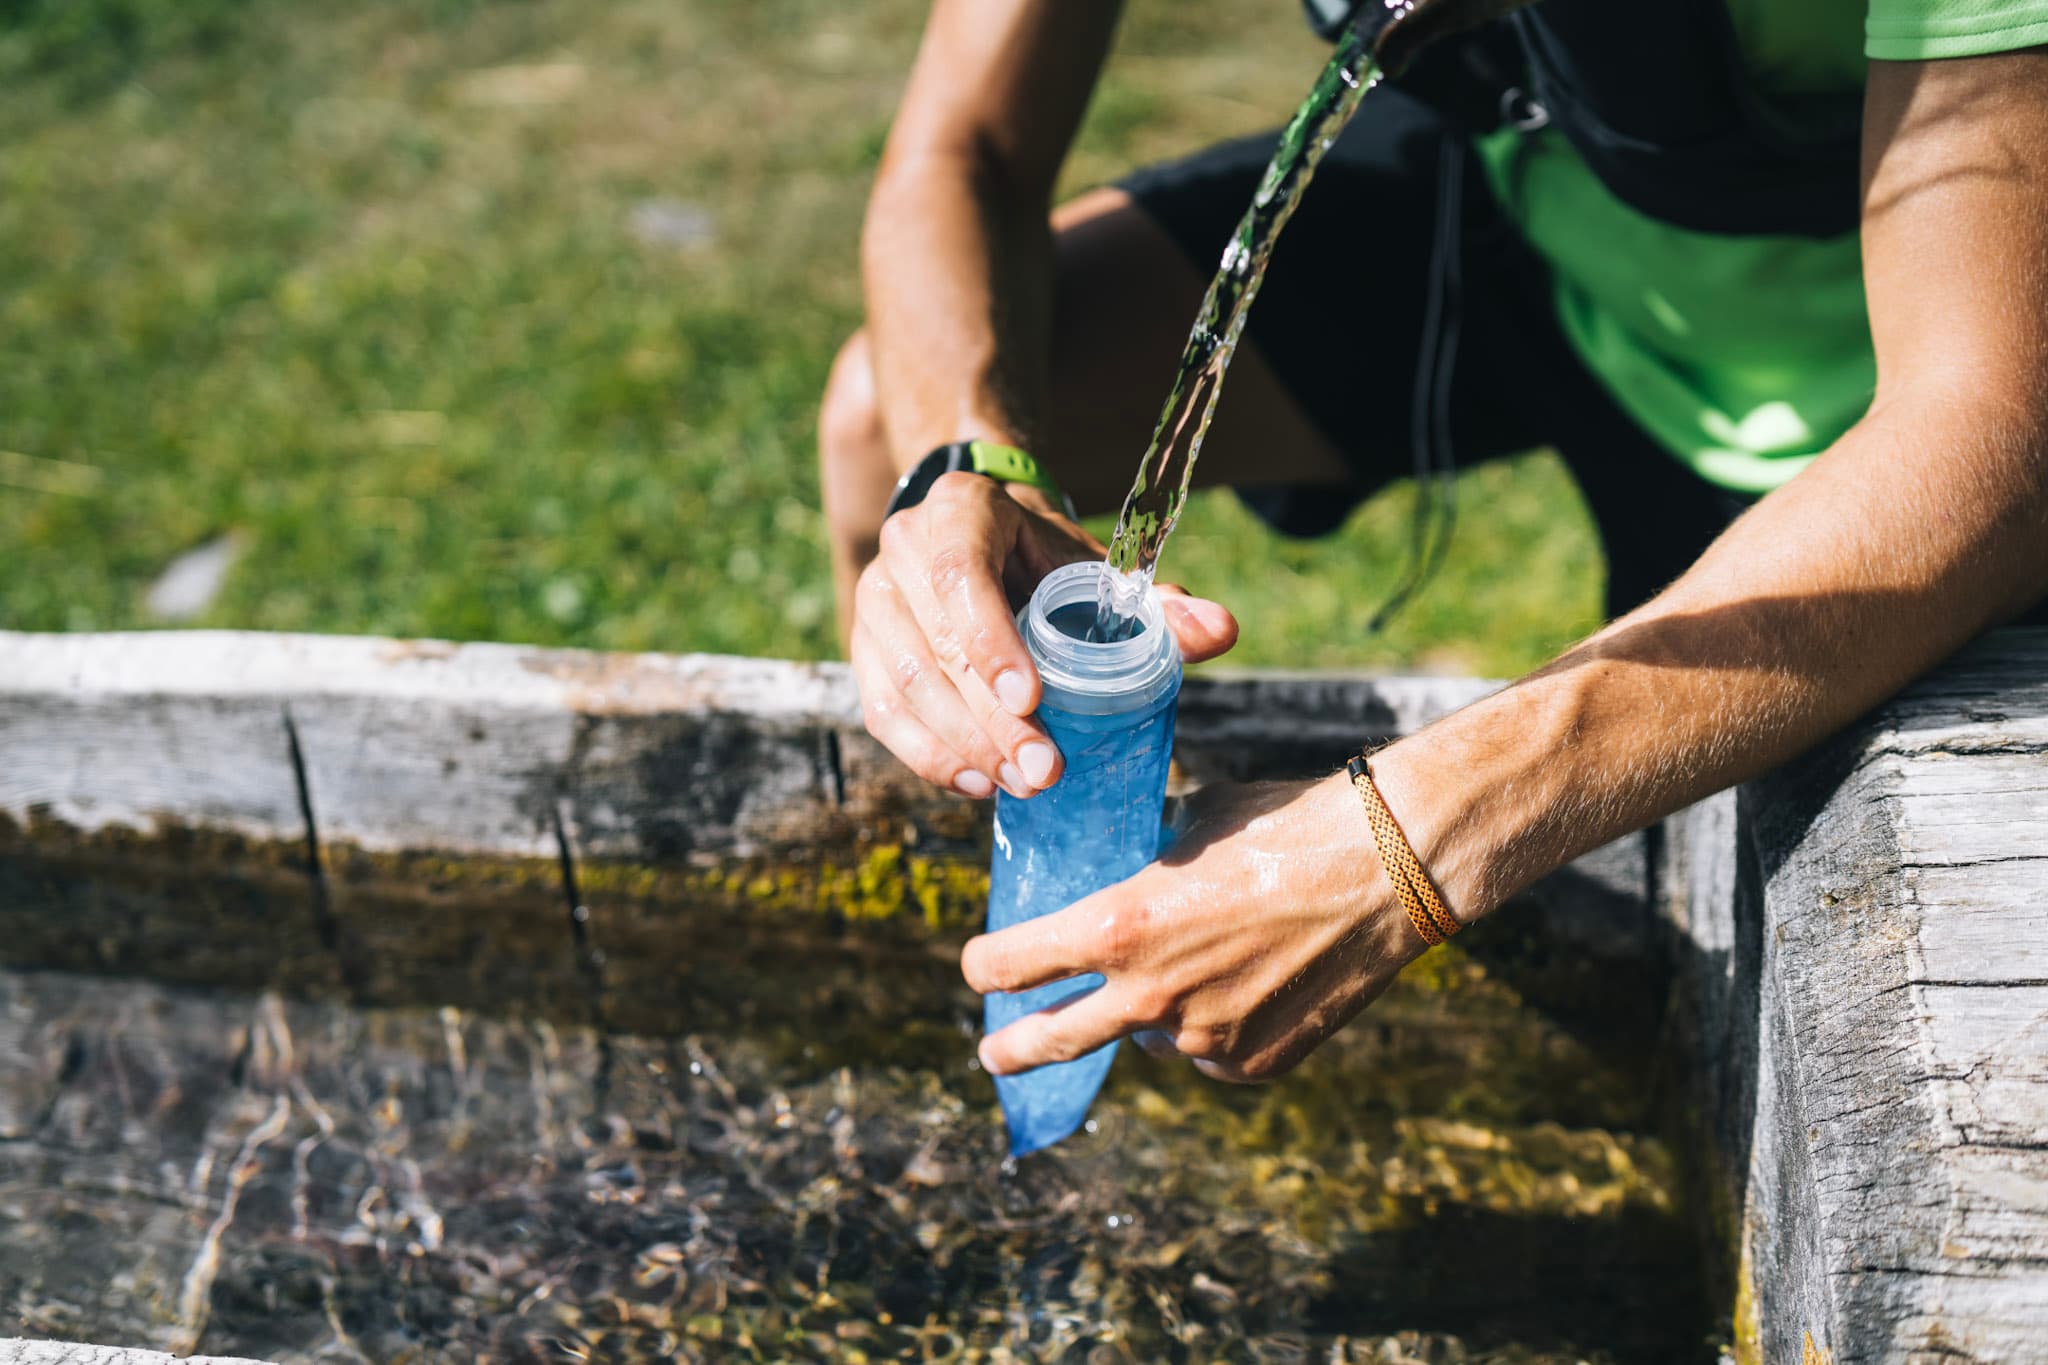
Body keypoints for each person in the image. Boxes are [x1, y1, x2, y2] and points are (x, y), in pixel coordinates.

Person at [816, 0, 2048, 1085]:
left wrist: (1401, 842)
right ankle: (961, 929)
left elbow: (1996, 441)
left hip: (1886, 373)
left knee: (1804, 867)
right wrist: (965, 461)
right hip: (1536, 196)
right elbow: (959, 152)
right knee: (892, 425)